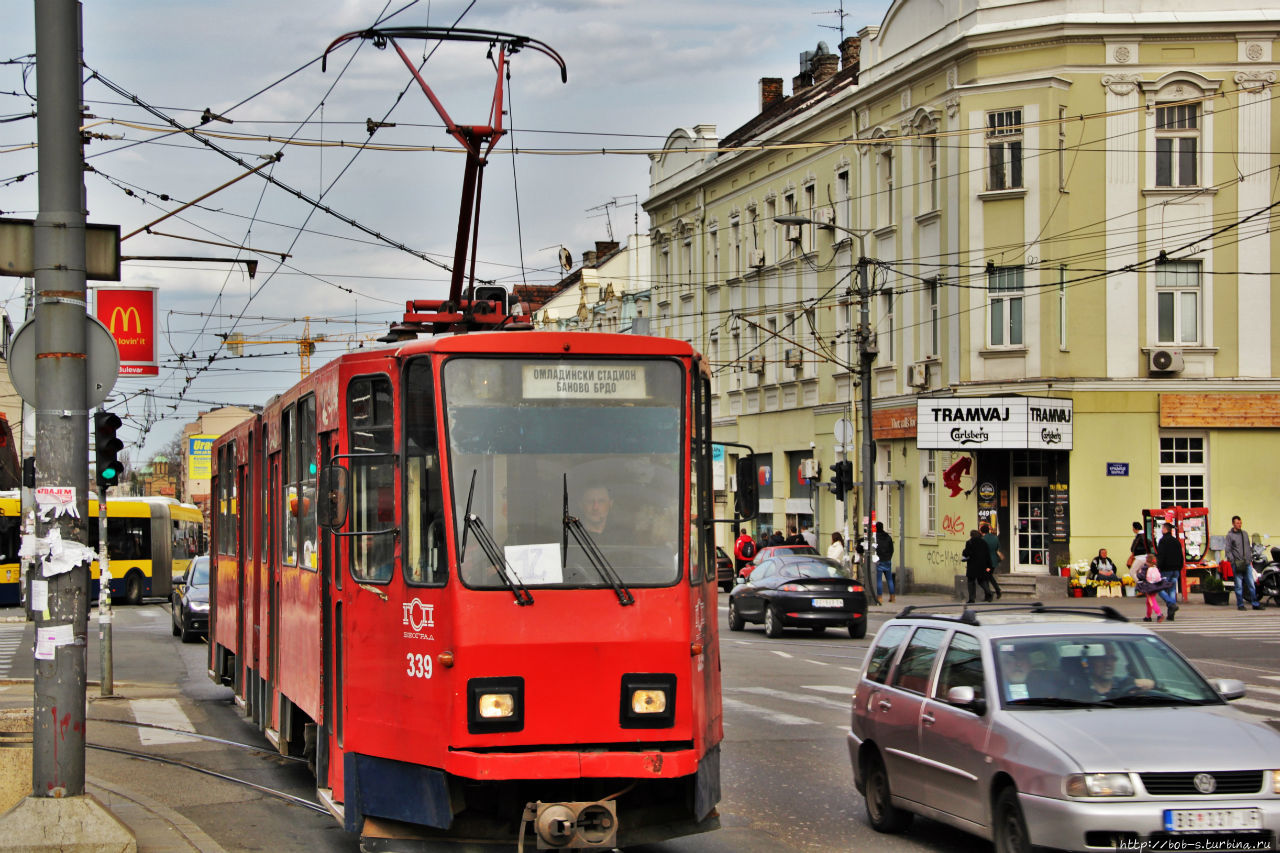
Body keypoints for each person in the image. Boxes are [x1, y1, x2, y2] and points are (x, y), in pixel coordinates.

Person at [1077, 645, 1155, 700]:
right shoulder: (1078, 688)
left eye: (1112, 658)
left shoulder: (1124, 684)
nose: (1108, 663)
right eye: (1102, 658)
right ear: (1090, 662)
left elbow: (1147, 684)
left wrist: (1148, 684)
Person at [1225, 515, 1262, 611]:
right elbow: (1228, 550)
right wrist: (1232, 561)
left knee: (1251, 584)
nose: (1239, 525)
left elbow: (1248, 547)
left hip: (1247, 563)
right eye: (1237, 523)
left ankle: (1255, 603)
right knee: (1238, 585)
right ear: (1233, 524)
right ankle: (1240, 604)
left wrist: (1249, 559)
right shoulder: (1230, 535)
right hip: (1237, 563)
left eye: (1240, 523)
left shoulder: (1244, 534)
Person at [1155, 521, 1182, 621]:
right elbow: (1180, 555)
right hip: (1176, 569)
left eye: (1162, 528)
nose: (1161, 530)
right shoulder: (1176, 541)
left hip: (1166, 569)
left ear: (1165, 529)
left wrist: (1158, 567)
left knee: (1159, 588)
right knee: (1172, 589)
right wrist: (1180, 566)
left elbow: (1161, 555)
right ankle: (1171, 614)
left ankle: (1171, 604)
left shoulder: (1163, 541)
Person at [963, 528, 995, 603]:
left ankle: (972, 598)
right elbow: (987, 555)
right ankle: (989, 593)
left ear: (971, 535)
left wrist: (965, 554)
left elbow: (966, 553)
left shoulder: (969, 542)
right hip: (982, 565)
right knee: (981, 581)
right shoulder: (984, 542)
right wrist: (989, 566)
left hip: (972, 565)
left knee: (971, 581)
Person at [979, 522, 1004, 600]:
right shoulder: (995, 538)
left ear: (981, 531)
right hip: (994, 561)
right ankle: (988, 595)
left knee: (987, 577)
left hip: (986, 562)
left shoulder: (982, 540)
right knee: (988, 576)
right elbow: (997, 548)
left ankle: (996, 590)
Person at [874, 522, 896, 602]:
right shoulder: (888, 537)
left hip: (879, 560)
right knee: (889, 579)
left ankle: (880, 597)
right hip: (887, 560)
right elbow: (892, 549)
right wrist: (889, 557)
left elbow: (874, 549)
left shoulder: (875, 537)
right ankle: (892, 597)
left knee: (879, 580)